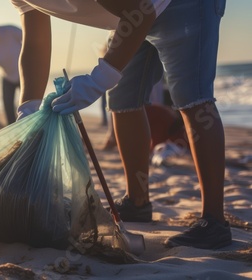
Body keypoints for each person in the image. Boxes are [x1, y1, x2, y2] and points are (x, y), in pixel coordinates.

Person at [12, 0, 230, 249]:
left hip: (181, 6)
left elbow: (143, 9)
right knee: (122, 99)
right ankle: (138, 203)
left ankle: (214, 221)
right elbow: (36, 42)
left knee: (192, 99)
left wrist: (98, 80)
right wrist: (27, 110)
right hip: (130, 14)